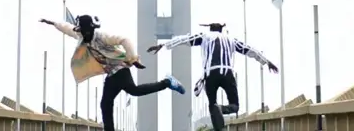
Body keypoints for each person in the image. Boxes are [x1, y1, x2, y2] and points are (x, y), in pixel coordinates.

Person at [39, 14, 186, 131]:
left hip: (120, 68)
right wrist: (52, 22)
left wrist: (132, 58)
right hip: (111, 73)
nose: (85, 35)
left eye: (87, 32)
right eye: (83, 32)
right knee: (106, 103)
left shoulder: (102, 36)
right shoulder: (81, 34)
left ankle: (167, 82)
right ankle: (167, 83)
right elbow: (67, 27)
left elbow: (124, 40)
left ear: (91, 29)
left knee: (132, 91)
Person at [147, 23, 279, 131]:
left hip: (210, 74)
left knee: (212, 106)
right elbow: (249, 49)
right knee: (235, 105)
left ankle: (218, 120)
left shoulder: (204, 36)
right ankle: (222, 109)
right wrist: (266, 61)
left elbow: (184, 39)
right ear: (222, 30)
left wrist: (163, 45)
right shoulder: (231, 39)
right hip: (227, 73)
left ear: (210, 29)